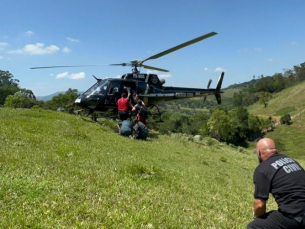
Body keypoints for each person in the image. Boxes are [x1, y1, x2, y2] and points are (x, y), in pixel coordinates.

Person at [247, 138, 305, 229]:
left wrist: (257, 218)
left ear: (258, 152)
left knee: (253, 226)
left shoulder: (262, 169)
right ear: (275, 150)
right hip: (300, 212)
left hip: (295, 217)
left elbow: (259, 205)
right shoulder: (292, 161)